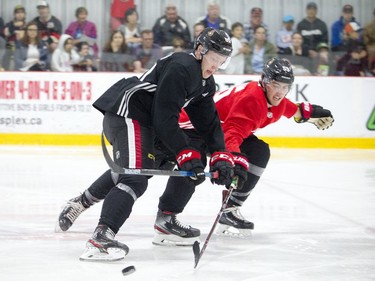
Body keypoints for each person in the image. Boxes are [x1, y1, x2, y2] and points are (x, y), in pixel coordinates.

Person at [57, 27, 235, 261]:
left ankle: (84, 202)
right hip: (128, 114)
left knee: (145, 166)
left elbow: (209, 124)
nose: (215, 66)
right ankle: (101, 238)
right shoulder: (182, 67)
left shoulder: (204, 83)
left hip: (146, 121)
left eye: (221, 62)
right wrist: (184, 152)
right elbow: (165, 117)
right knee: (134, 177)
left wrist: (222, 156)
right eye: (214, 59)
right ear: (201, 50)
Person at [170, 58, 334, 238]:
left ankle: (229, 210)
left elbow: (289, 109)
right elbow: (232, 135)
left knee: (259, 151)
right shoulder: (252, 99)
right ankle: (167, 217)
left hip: (216, 130)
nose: (280, 93)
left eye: (285, 87)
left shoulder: (273, 99)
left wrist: (310, 113)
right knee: (194, 164)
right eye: (275, 85)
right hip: (192, 127)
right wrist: (236, 159)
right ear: (264, 82)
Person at [3, 5, 27, 70]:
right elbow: (6, 33)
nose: (20, 14)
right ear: (14, 14)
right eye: (18, 12)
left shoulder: (27, 25)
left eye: (22, 12)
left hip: (24, 46)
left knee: (21, 49)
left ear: (25, 15)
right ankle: (4, 70)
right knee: (8, 49)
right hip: (11, 45)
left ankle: (21, 71)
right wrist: (14, 26)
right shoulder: (9, 24)